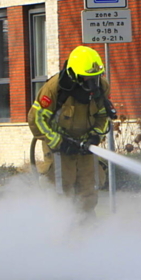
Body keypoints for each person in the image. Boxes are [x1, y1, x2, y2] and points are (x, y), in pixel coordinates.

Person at [27, 45, 115, 213]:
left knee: (89, 189)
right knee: (61, 189)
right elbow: (36, 118)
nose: (92, 83)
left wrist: (95, 136)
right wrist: (58, 141)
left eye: (95, 77)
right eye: (86, 78)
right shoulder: (54, 88)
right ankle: (60, 229)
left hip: (86, 144)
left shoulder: (101, 87)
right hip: (59, 146)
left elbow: (104, 115)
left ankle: (86, 227)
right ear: (74, 74)